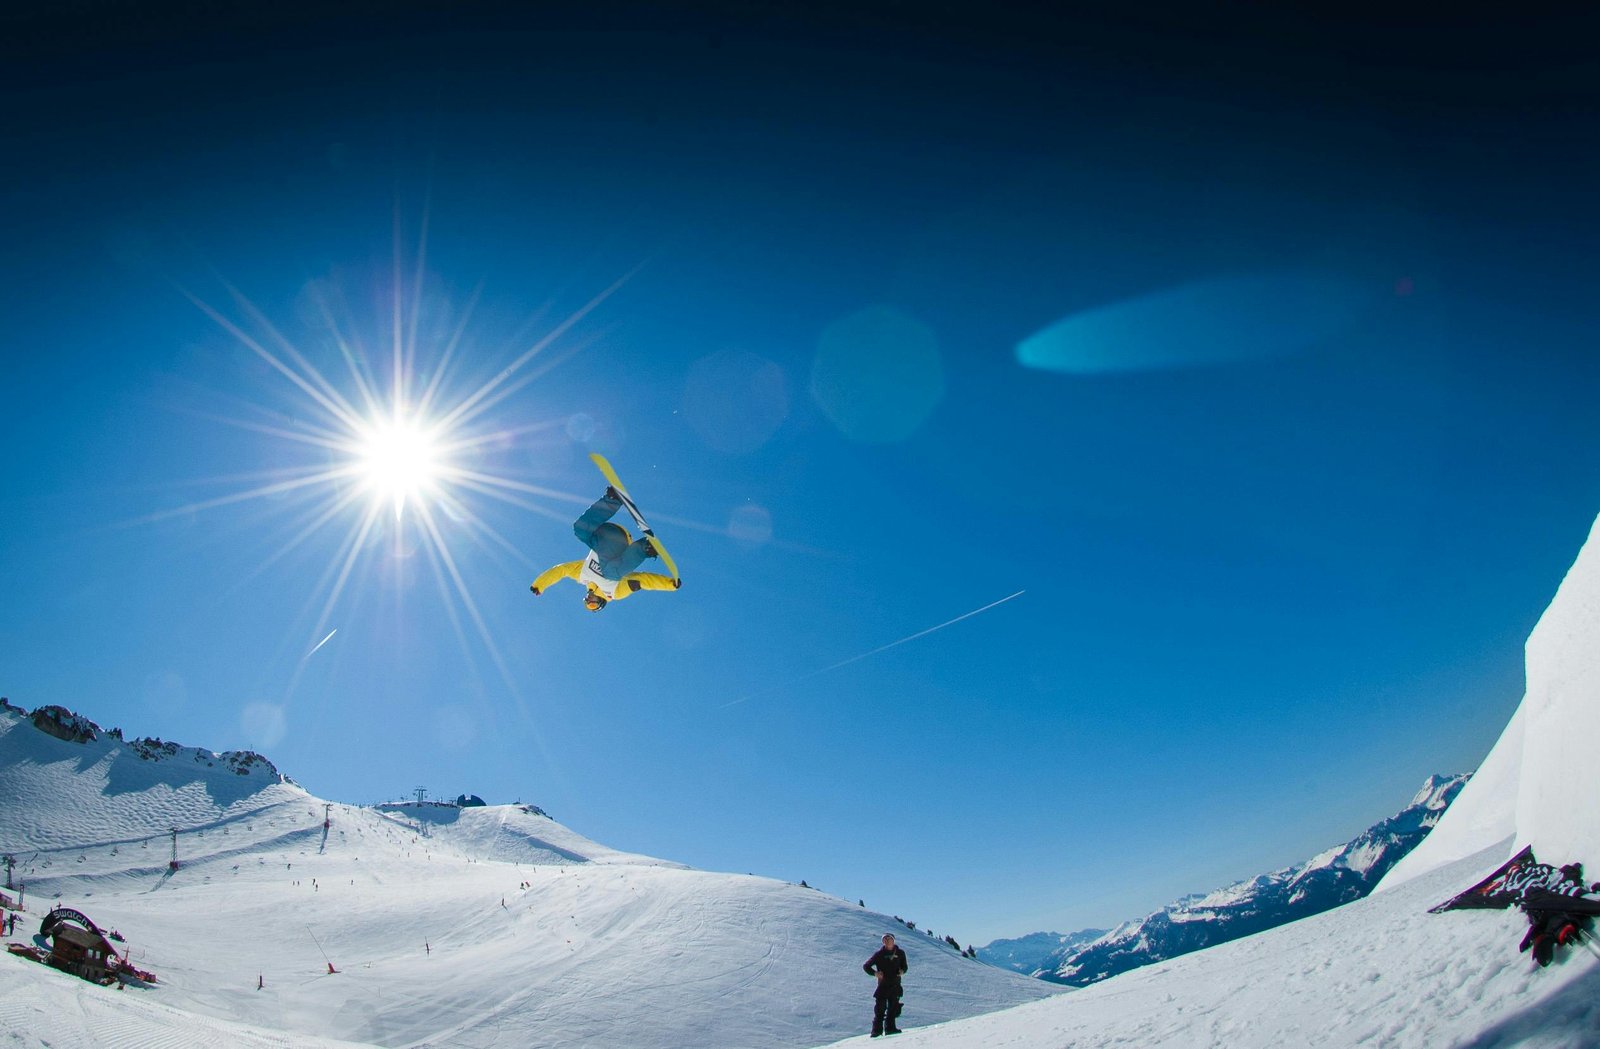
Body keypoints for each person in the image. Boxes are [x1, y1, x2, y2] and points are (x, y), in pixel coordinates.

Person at [530, 487, 679, 612]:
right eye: (592, 604)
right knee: (610, 573)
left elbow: (560, 570)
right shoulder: (615, 592)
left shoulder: (582, 575)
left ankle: (612, 500)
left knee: (580, 530)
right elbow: (642, 580)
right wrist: (669, 584)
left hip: (602, 535)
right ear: (601, 603)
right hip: (620, 543)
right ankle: (646, 548)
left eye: (586, 601)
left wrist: (539, 585)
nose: (589, 600)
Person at [862, 932, 909, 1037]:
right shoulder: (879, 954)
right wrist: (875, 973)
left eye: (889, 939)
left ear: (893, 940)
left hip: (895, 985)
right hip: (883, 986)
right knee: (880, 1009)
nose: (887, 941)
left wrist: (902, 971)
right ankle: (876, 1031)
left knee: (893, 1008)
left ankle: (890, 1029)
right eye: (885, 940)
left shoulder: (900, 953)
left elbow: (905, 966)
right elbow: (866, 966)